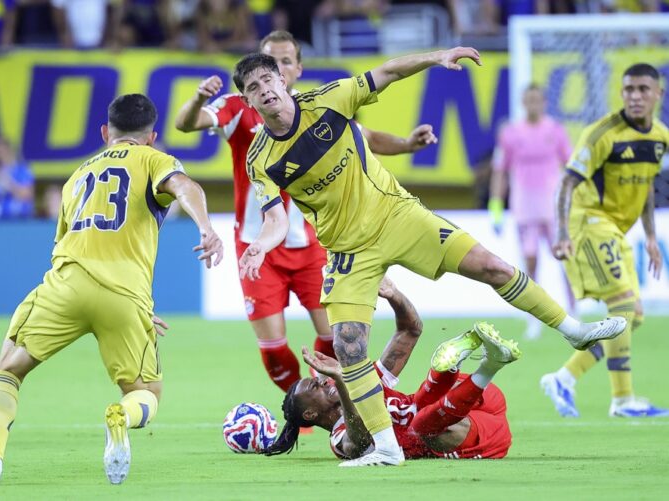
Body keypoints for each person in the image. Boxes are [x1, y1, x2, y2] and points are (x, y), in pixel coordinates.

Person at [235, 48, 626, 466]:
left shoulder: (331, 99)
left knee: (491, 266)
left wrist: (435, 57)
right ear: (248, 101)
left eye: (267, 80)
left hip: (398, 216)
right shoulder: (260, 158)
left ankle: (573, 330)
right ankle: (385, 447)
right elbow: (275, 218)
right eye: (253, 88)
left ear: (282, 80)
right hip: (348, 251)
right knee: (349, 347)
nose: (264, 90)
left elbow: (385, 70)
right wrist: (261, 243)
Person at [0, 94, 224, 486]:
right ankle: (122, 417)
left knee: (8, 370)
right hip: (125, 297)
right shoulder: (154, 160)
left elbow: (70, 244)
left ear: (105, 132)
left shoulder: (76, 177)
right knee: (146, 392)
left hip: (66, 286)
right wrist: (206, 227)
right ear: (151, 137)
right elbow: (186, 186)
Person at [175, 30, 437, 393]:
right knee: (273, 345)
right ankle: (301, 409)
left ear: (294, 70)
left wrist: (407, 144)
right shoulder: (240, 107)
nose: (274, 70)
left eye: (283, 62)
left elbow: (367, 136)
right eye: (269, 60)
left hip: (311, 243)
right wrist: (197, 99)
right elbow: (187, 124)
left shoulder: (318, 107)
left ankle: (326, 401)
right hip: (258, 244)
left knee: (333, 334)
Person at [264, 278, 520, 461]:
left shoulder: (365, 382)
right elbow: (360, 439)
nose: (323, 382)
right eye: (315, 386)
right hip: (469, 430)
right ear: (310, 413)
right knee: (421, 427)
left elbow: (411, 330)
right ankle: (488, 365)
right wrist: (342, 381)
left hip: (474, 400)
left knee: (422, 403)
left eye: (319, 380)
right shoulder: (339, 438)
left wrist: (394, 295)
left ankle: (458, 366)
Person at [541, 63, 669, 418]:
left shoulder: (659, 136)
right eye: (628, 89)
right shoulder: (602, 135)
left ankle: (565, 377)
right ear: (621, 93)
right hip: (589, 223)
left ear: (658, 94)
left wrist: (653, 237)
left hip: (616, 229)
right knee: (625, 308)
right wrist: (563, 233)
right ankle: (624, 400)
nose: (635, 96)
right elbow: (566, 183)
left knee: (633, 316)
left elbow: (645, 186)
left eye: (643, 89)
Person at [489, 83, 574, 340]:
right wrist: (496, 205)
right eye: (528, 100)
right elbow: (500, 170)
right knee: (530, 259)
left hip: (553, 207)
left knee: (565, 259)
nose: (533, 105)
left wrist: (574, 200)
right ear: (522, 103)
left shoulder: (556, 131)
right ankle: (534, 316)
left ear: (545, 102)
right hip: (524, 206)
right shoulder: (511, 133)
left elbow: (570, 168)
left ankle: (573, 310)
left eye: (537, 100)